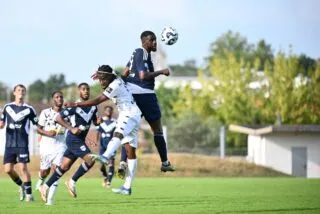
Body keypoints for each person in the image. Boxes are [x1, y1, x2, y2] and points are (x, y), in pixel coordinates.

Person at [66, 65, 141, 195]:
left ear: (110, 77)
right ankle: (127, 187)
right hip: (134, 114)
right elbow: (121, 74)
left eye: (103, 79)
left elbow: (98, 100)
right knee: (130, 153)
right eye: (99, 79)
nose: (101, 82)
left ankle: (105, 156)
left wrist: (76, 104)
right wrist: (101, 73)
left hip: (128, 114)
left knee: (118, 133)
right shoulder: (116, 79)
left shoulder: (114, 85)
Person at [121, 30, 175, 172]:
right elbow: (143, 76)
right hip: (145, 95)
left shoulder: (136, 53)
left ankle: (122, 162)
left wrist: (123, 90)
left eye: (155, 39)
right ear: (145, 41)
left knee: (129, 129)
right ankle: (164, 162)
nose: (155, 42)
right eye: (152, 40)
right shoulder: (142, 52)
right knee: (157, 130)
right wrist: (161, 71)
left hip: (132, 95)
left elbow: (125, 72)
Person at [39, 83, 99, 202]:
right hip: (73, 139)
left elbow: (95, 122)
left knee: (64, 167)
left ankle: (44, 187)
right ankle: (72, 181)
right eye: (83, 89)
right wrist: (71, 128)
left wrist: (98, 121)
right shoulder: (74, 106)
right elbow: (58, 118)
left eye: (87, 89)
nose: (86, 91)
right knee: (90, 160)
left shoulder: (93, 107)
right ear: (79, 92)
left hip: (80, 140)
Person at [0, 84, 38, 202]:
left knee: (23, 167)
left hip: (22, 143)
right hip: (9, 144)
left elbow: (38, 125)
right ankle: (22, 185)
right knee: (8, 170)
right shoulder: (7, 107)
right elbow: (1, 124)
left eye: (22, 90)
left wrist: (44, 134)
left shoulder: (29, 109)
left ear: (25, 93)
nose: (20, 92)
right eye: (18, 90)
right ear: (14, 93)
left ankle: (29, 195)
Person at [35, 91, 67, 205]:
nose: (59, 99)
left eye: (61, 97)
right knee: (44, 171)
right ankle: (41, 180)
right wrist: (47, 133)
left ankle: (50, 200)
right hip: (46, 146)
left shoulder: (67, 113)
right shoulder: (45, 112)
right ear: (53, 99)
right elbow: (38, 129)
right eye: (57, 97)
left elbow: (72, 128)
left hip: (60, 146)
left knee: (56, 171)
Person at [96, 105, 119, 187]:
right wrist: (96, 141)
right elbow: (98, 132)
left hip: (111, 145)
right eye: (107, 110)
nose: (108, 111)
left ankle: (109, 181)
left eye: (110, 110)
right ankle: (105, 176)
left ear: (112, 112)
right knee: (101, 166)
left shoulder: (115, 122)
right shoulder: (101, 121)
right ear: (105, 111)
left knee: (111, 163)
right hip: (102, 146)